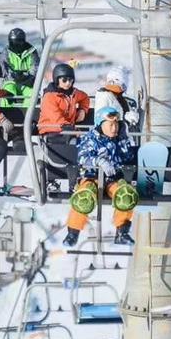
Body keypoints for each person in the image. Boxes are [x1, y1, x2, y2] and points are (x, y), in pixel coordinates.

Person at [64, 105, 138, 246]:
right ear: (101, 124)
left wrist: (124, 139)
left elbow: (128, 157)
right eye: (111, 124)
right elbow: (82, 157)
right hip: (92, 178)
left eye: (116, 124)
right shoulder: (91, 138)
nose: (114, 127)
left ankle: (122, 232)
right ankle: (73, 232)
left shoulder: (118, 139)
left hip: (113, 179)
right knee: (84, 197)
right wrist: (98, 161)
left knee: (125, 195)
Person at [37, 62, 91, 190]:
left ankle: (76, 179)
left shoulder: (73, 93)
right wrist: (72, 129)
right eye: (64, 80)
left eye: (71, 80)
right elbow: (54, 117)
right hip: (51, 129)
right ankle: (52, 179)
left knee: (80, 143)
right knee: (69, 144)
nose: (68, 83)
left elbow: (85, 98)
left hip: (67, 130)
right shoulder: (50, 96)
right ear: (57, 80)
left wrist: (83, 110)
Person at [0, 27, 39, 108]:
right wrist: (14, 75)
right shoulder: (6, 52)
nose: (15, 46)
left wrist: (25, 75)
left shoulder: (32, 52)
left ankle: (27, 116)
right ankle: (7, 114)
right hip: (11, 81)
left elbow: (35, 68)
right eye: (12, 43)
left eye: (17, 43)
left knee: (32, 94)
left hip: (27, 83)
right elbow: (5, 69)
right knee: (7, 91)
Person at [92, 66, 140, 132]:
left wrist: (132, 116)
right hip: (111, 134)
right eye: (122, 85)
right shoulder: (104, 96)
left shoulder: (120, 98)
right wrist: (125, 118)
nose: (123, 88)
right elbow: (102, 118)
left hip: (121, 133)